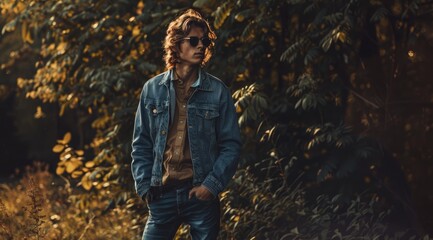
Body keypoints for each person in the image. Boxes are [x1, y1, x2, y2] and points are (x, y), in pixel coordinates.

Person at [131, 9, 241, 240]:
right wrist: (144, 187)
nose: (200, 46)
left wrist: (210, 186)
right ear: (176, 45)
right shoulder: (152, 89)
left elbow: (231, 145)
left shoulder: (218, 91)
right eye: (193, 40)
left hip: (200, 195)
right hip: (162, 195)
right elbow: (141, 143)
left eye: (205, 41)